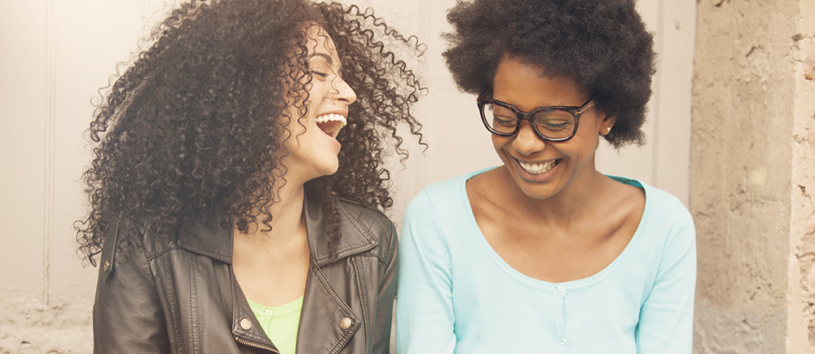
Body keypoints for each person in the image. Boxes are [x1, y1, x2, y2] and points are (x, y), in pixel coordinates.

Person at [75, 0, 424, 353]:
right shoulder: (143, 244)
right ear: (248, 84)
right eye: (319, 71)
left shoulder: (370, 245)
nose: (348, 92)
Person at [396, 0, 696, 353]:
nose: (525, 143)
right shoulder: (438, 221)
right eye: (505, 117)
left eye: (554, 123)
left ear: (608, 113)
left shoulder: (663, 229)